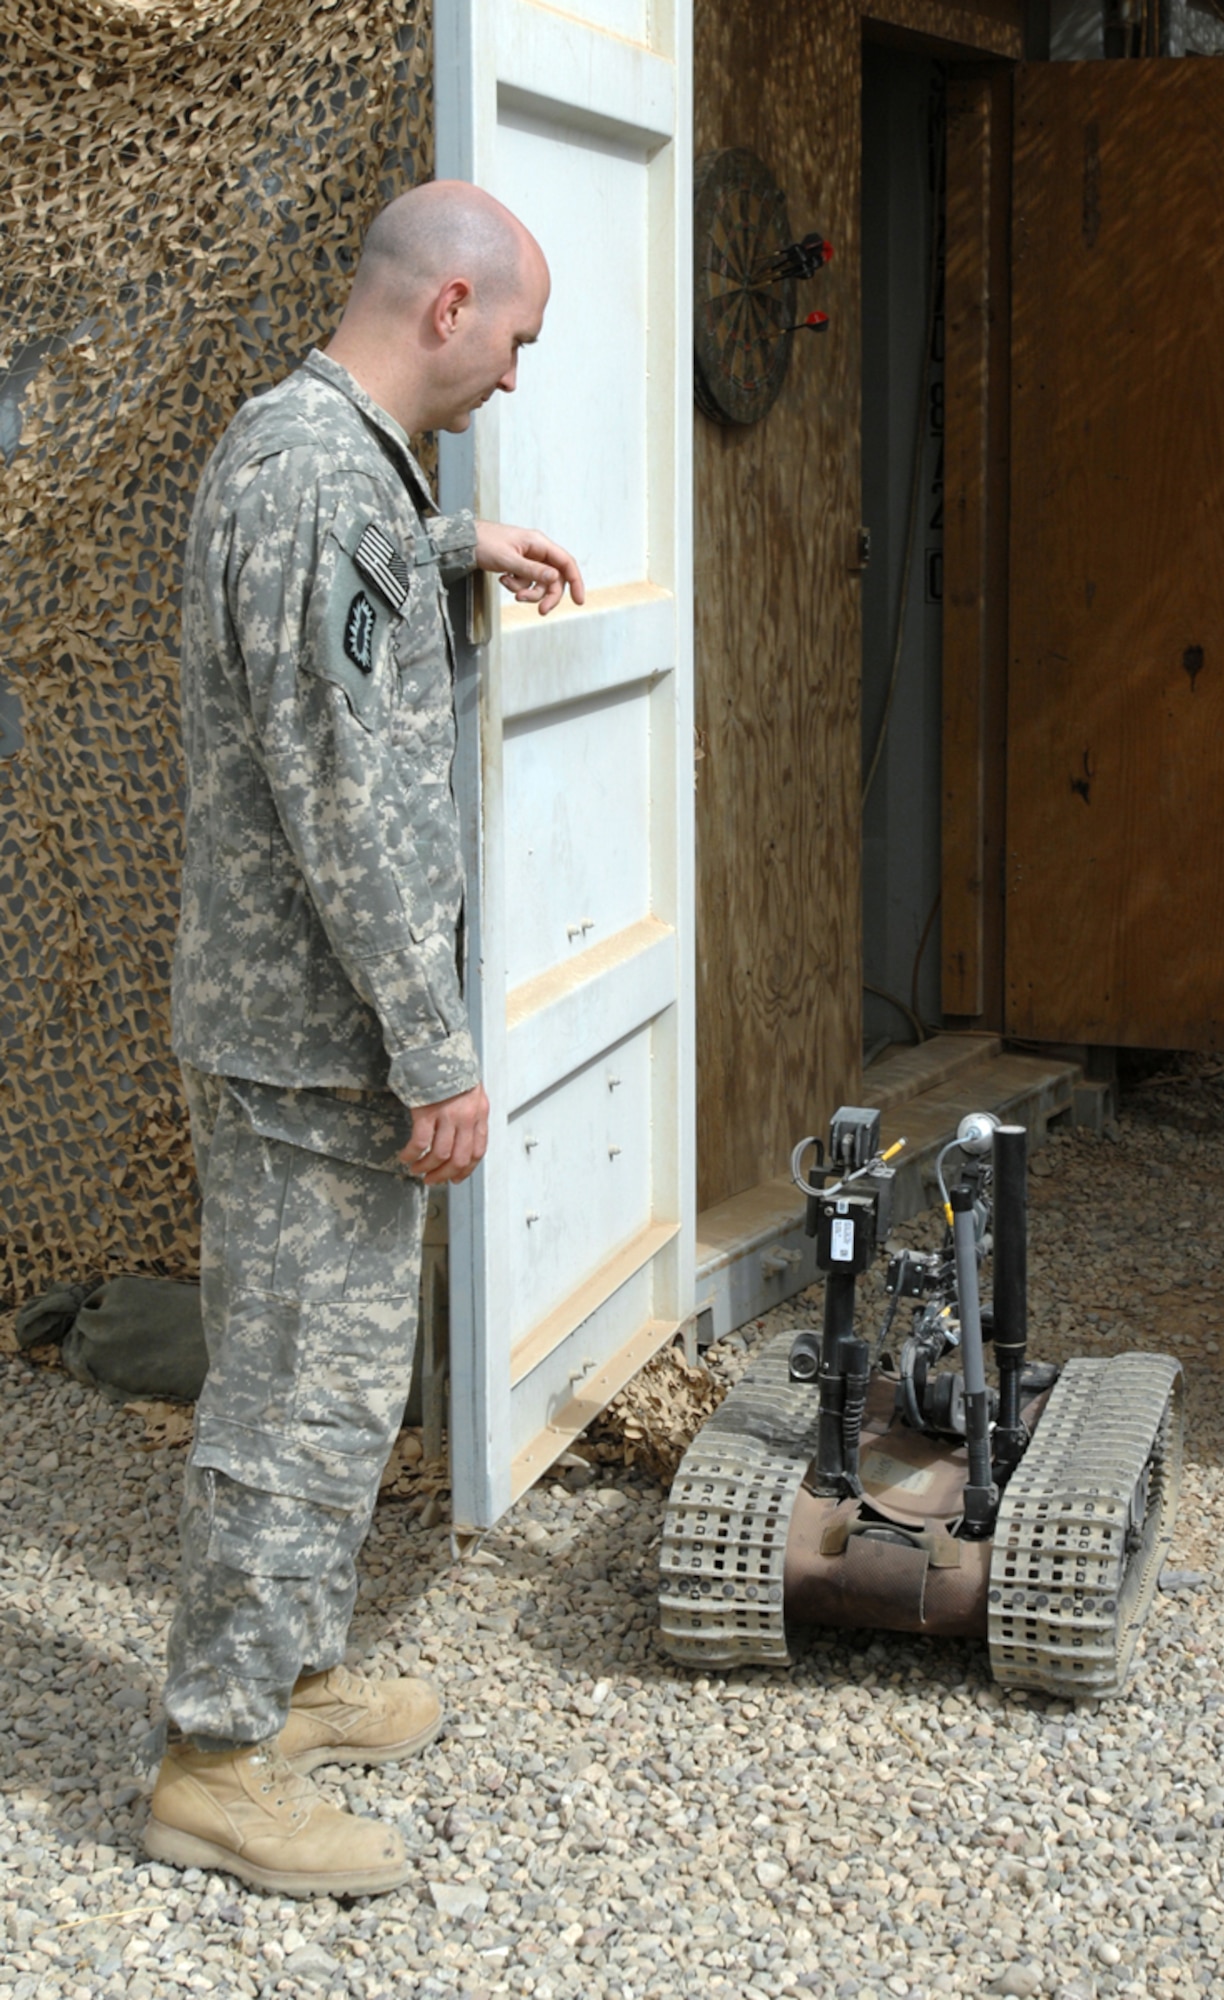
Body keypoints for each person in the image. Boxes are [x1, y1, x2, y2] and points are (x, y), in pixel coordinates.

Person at [144, 181, 584, 1898]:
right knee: (292, 1404)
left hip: (314, 1031)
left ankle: (295, 1677)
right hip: (315, 1038)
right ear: (447, 306)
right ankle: (215, 1760)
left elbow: (334, 655)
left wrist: (453, 549)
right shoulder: (318, 480)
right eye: (517, 345)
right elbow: (345, 792)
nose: (516, 382)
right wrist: (435, 1049)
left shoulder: (345, 473)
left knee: (339, 1394)